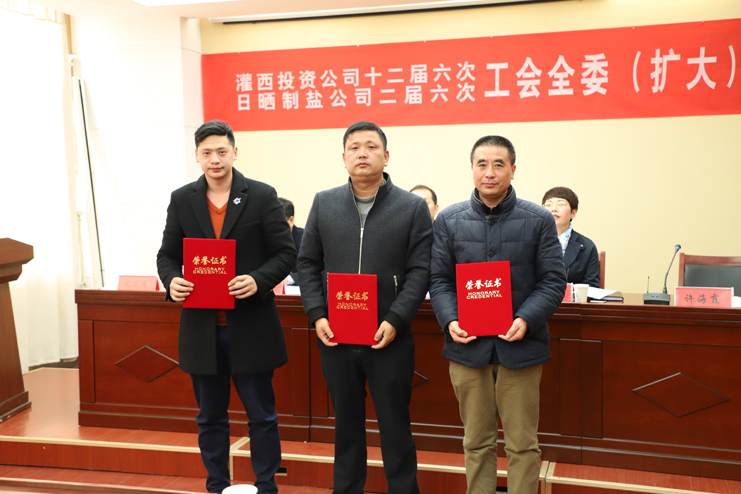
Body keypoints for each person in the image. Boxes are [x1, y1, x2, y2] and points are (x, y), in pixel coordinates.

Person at [157, 120, 296, 494]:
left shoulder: (262, 195)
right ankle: (216, 485)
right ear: (197, 156)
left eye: (222, 151)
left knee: (262, 416)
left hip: (251, 327)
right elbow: (167, 255)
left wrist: (258, 280)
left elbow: (286, 253)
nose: (215, 159)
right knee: (210, 418)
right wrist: (172, 280)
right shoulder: (182, 199)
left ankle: (266, 486)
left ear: (235, 152)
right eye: (207, 153)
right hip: (202, 330)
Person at [297, 121, 433, 494]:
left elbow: (420, 270)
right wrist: (317, 314)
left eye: (371, 146)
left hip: (389, 336)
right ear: (343, 158)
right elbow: (307, 263)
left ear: (386, 156)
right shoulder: (324, 202)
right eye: (354, 147)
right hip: (336, 336)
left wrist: (396, 318)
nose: (362, 153)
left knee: (395, 425)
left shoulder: (411, 207)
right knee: (346, 426)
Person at [429, 135, 566, 494]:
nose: (489, 173)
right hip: (467, 348)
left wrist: (526, 319)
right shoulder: (449, 220)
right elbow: (439, 280)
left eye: (498, 164)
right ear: (472, 169)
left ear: (513, 170)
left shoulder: (538, 219)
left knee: (522, 445)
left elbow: (553, 280)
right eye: (482, 164)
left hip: (520, 348)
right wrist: (450, 319)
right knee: (476, 443)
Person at [542, 187, 600, 287]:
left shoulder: (587, 247)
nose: (553, 209)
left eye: (561, 204)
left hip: (572, 297)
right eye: (548, 205)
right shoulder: (529, 240)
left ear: (573, 213)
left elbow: (591, 286)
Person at [278, 197, 304, 285]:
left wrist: (288, 279)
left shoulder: (305, 239)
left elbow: (313, 271)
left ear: (291, 220)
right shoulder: (266, 239)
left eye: (279, 223)